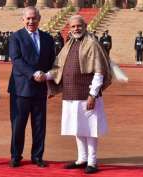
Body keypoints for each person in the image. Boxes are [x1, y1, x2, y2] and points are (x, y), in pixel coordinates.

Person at [46, 15, 112, 174]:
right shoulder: (69, 44)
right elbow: (59, 68)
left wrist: (93, 94)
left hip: (87, 94)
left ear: (85, 26)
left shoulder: (92, 44)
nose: (76, 29)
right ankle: (82, 159)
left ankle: (92, 161)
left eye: (79, 26)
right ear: (69, 28)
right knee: (78, 127)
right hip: (71, 93)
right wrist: (45, 76)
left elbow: (99, 71)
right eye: (73, 26)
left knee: (90, 129)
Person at [8, 6, 55, 168]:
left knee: (39, 125)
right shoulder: (16, 37)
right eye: (28, 18)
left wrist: (49, 82)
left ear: (39, 19)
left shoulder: (48, 38)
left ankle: (37, 156)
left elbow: (51, 62)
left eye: (34, 18)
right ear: (23, 19)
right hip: (21, 88)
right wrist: (33, 73)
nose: (31, 21)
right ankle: (15, 156)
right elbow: (16, 60)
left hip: (40, 88)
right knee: (18, 125)